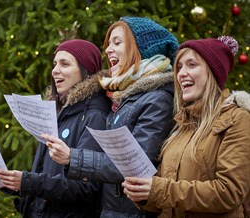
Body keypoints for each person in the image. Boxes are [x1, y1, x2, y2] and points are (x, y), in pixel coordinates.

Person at [42, 16, 179, 217]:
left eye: (117, 42)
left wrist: (73, 157)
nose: (107, 50)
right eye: (108, 44)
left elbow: (135, 164)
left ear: (141, 49)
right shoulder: (123, 96)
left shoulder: (156, 99)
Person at [122, 36, 250, 217]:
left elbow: (229, 193)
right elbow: (164, 193)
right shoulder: (181, 125)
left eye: (192, 64)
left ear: (213, 72)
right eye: (179, 67)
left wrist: (158, 189)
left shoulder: (237, 119)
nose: (181, 73)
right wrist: (144, 194)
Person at [0, 39, 111, 217]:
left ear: (85, 71)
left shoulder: (95, 115)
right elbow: (45, 180)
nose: (55, 70)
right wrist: (10, 183)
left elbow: (86, 189)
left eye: (65, 64)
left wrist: (26, 181)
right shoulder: (59, 113)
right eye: (55, 64)